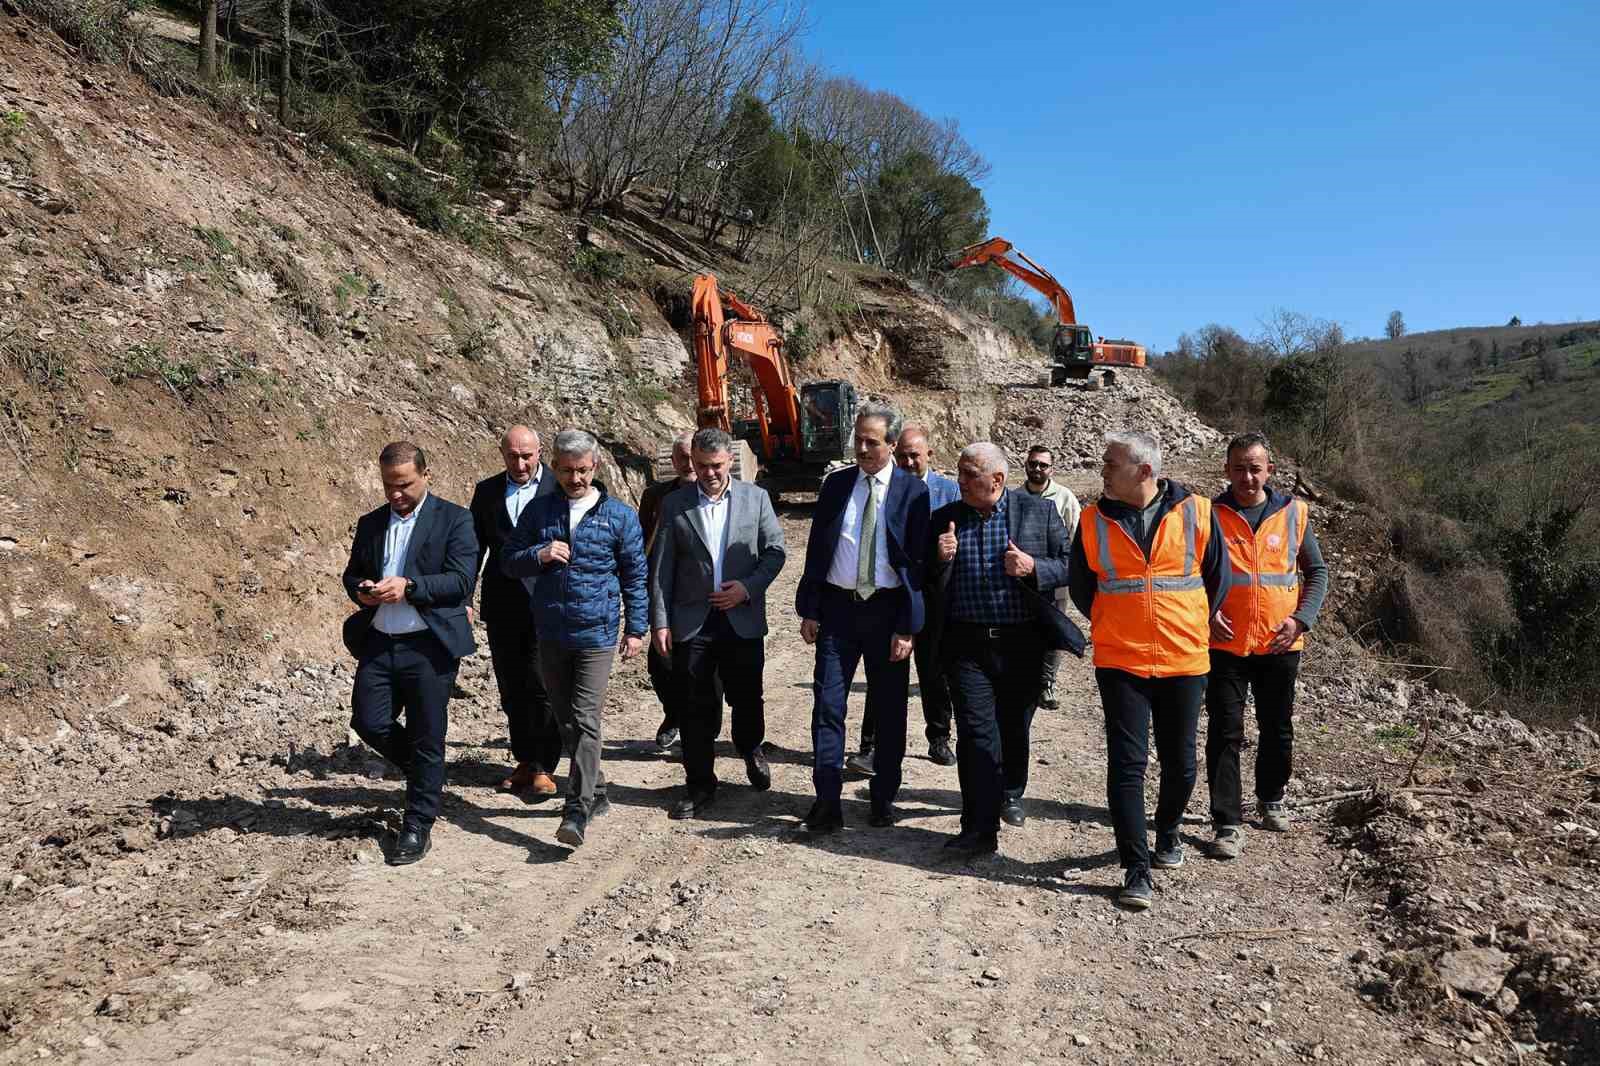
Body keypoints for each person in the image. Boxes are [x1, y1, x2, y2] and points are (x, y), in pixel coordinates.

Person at [1068, 430, 1231, 911]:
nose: (1101, 470)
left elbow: (1216, 580)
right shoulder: (1092, 520)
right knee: (1127, 765)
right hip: (1121, 660)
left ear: (1143, 471)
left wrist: (1186, 622)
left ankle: (1168, 827)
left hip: (1184, 659)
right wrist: (1115, 622)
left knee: (1181, 764)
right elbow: (1083, 588)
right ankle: (1135, 869)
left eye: (1109, 464)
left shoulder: (1198, 513)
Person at [921, 443, 1083, 857]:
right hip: (966, 646)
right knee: (976, 736)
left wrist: (1034, 568)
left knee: (1013, 729)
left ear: (996, 480)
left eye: (968, 473)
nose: (959, 481)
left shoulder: (1037, 512)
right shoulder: (945, 520)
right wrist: (938, 559)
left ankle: (1011, 791)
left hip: (1021, 644)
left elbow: (1072, 565)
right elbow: (920, 573)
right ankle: (978, 827)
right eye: (959, 472)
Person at [501, 429, 647, 849]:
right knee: (565, 720)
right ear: (555, 469)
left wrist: (636, 628)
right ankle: (596, 787)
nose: (576, 479)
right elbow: (509, 561)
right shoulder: (539, 511)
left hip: (596, 634)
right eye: (567, 471)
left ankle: (576, 809)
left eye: (583, 471)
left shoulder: (619, 516)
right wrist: (539, 555)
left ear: (595, 468)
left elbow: (635, 576)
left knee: (585, 718)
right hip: (550, 631)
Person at [794, 400, 930, 832]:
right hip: (837, 610)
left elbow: (918, 566)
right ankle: (826, 801)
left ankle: (883, 798)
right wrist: (810, 608)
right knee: (828, 706)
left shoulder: (913, 492)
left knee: (889, 710)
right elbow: (818, 550)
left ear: (892, 444)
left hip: (887, 612)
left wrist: (908, 626)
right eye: (858, 441)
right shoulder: (836, 486)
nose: (862, 448)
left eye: (872, 442)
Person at [341, 442, 478, 866]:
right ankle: (428, 776)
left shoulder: (455, 519)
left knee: (426, 733)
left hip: (429, 644)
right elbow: (352, 573)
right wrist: (362, 591)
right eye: (388, 485)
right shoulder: (371, 523)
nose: (395, 494)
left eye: (404, 485)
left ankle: (417, 823)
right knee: (369, 720)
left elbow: (460, 581)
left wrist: (411, 587)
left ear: (425, 475)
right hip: (380, 638)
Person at [649, 428, 787, 819]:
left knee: (746, 695)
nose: (709, 473)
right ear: (691, 462)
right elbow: (662, 569)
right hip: (692, 620)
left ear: (731, 462)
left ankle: (750, 747)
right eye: (701, 465)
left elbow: (776, 551)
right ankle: (699, 784)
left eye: (716, 466)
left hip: (740, 618)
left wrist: (747, 588)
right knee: (694, 705)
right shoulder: (675, 504)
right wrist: (660, 620)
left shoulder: (755, 499)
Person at [1205, 432, 1330, 859]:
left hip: (1280, 643)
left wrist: (1301, 619)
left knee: (1277, 727)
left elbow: (1317, 573)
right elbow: (1190, 572)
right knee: (1225, 731)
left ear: (1269, 471)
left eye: (1255, 468)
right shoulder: (1209, 515)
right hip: (1225, 644)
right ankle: (1226, 822)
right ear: (1226, 470)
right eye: (1238, 467)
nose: (1247, 476)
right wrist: (1206, 611)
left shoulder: (1294, 514)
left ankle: (1271, 798)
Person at [847, 424, 960, 769]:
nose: (909, 461)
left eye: (915, 455)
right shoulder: (888, 489)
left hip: (934, 595)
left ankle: (939, 738)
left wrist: (946, 553)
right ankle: (870, 745)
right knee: (884, 670)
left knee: (933, 670)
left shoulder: (948, 491)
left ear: (930, 454)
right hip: (895, 594)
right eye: (903, 456)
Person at [469, 426, 562, 797]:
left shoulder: (560, 487)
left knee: (543, 685)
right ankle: (524, 759)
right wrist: (464, 597)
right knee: (512, 688)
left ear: (540, 452)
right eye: (513, 456)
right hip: (503, 604)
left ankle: (544, 765)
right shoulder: (487, 492)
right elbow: (472, 548)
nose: (521, 463)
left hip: (549, 602)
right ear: (502, 454)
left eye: (527, 455)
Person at [637, 429, 698, 753]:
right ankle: (673, 714)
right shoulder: (656, 496)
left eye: (692, 456)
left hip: (703, 593)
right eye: (681, 458)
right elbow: (640, 540)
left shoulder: (716, 492)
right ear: (672, 461)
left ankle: (697, 729)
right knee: (661, 662)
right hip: (664, 589)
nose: (688, 463)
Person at [1021, 445, 1082, 711]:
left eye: (1043, 465)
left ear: (1051, 469)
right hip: (1024, 578)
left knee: (1053, 630)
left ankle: (1046, 683)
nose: (1037, 469)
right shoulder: (1014, 497)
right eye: (1033, 463)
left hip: (1056, 576)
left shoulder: (1065, 498)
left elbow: (1077, 537)